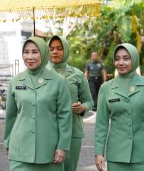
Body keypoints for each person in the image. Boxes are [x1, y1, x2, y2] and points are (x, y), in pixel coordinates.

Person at [4, 37, 72, 171]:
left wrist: (62, 146)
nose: (29, 57)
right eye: (26, 52)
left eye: (35, 52)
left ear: (44, 53)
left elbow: (65, 116)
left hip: (50, 152)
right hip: (19, 151)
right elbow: (10, 116)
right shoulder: (15, 82)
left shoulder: (59, 81)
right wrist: (7, 142)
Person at [95, 43, 144, 171]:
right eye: (117, 58)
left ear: (134, 59)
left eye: (126, 58)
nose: (120, 62)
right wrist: (99, 152)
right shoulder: (106, 88)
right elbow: (101, 124)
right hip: (116, 156)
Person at [47, 35, 94, 171]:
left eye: (59, 48)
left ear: (66, 50)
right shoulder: (41, 74)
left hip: (73, 130)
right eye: (51, 49)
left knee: (68, 168)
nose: (54, 52)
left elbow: (89, 101)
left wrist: (83, 107)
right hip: (47, 129)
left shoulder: (77, 74)